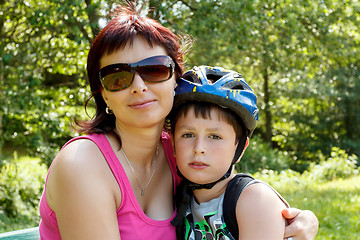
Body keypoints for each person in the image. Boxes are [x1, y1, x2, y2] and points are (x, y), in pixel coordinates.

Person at [37, 3, 318, 240]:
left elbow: (235, 192)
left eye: (154, 70)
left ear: (176, 79)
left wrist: (301, 219)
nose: (138, 86)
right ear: (103, 94)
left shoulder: (182, 149)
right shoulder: (83, 163)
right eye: (117, 77)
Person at [169, 65, 318, 240]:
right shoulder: (179, 198)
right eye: (188, 135)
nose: (199, 148)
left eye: (215, 136)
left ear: (239, 148)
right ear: (172, 143)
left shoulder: (253, 201)